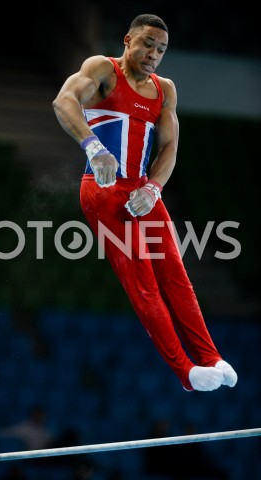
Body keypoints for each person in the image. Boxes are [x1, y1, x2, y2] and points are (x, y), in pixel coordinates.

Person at [52, 13, 238, 392]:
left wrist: (154, 187)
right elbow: (64, 101)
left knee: (176, 276)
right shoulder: (102, 70)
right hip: (103, 190)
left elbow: (169, 147)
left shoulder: (165, 89)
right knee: (144, 283)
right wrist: (93, 146)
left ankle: (210, 357)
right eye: (148, 44)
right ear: (128, 40)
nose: (154, 54)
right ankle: (186, 372)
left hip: (143, 191)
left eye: (161, 49)